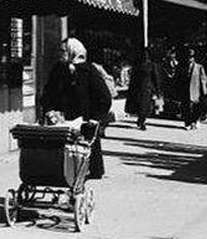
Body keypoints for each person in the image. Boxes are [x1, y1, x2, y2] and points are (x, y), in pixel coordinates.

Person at [40, 37, 111, 179]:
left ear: (73, 51)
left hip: (84, 119)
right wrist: (49, 110)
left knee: (85, 148)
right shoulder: (58, 69)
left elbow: (104, 97)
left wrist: (95, 118)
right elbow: (48, 93)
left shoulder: (89, 70)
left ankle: (91, 171)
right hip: (60, 119)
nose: (61, 53)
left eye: (64, 50)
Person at [125, 49, 160, 130]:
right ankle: (141, 120)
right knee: (140, 105)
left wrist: (157, 90)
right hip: (139, 89)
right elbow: (133, 78)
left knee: (145, 106)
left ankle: (142, 120)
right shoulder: (137, 65)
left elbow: (155, 78)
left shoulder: (151, 65)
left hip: (147, 89)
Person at [181, 48, 207, 130]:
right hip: (185, 91)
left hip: (196, 91)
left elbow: (203, 80)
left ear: (194, 58)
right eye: (188, 57)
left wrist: (204, 91)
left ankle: (195, 121)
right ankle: (188, 122)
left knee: (196, 108)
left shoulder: (199, 67)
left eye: (191, 57)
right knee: (186, 107)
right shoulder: (183, 67)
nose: (190, 59)